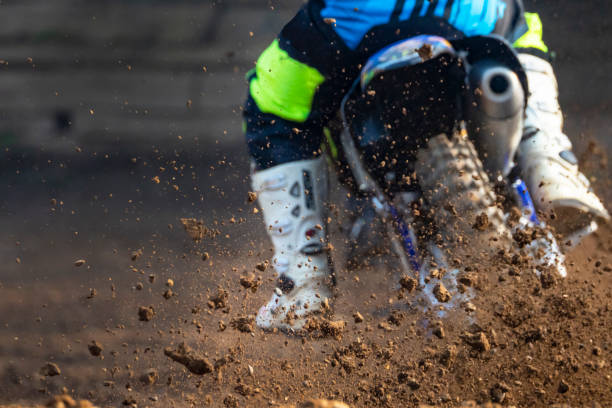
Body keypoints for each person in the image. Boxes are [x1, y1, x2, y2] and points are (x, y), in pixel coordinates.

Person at [243, 0, 609, 331]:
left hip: (350, 21)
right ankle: (547, 160)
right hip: (470, 12)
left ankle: (304, 274)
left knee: (270, 108)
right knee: (519, 29)